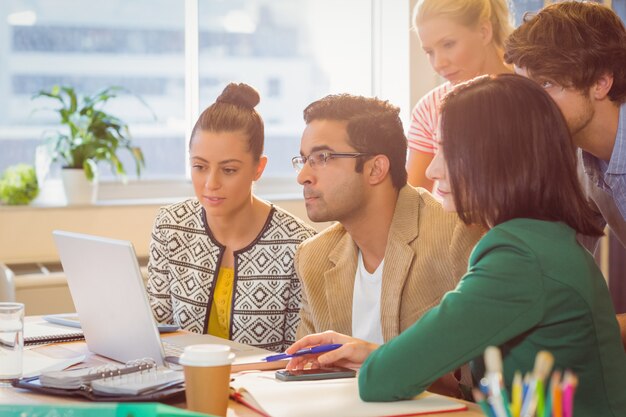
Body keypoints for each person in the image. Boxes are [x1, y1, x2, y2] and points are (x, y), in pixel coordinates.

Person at [286, 75, 626, 417]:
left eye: (447, 149)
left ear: (496, 155)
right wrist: (373, 354)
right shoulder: (536, 239)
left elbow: (381, 378)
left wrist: (378, 359)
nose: (432, 169)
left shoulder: (516, 258)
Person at [292, 93, 482, 394]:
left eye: (322, 158)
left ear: (376, 169)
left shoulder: (458, 237)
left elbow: (484, 386)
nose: (303, 176)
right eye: (303, 160)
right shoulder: (313, 257)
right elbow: (306, 375)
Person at [146, 83, 315, 352]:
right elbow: (156, 331)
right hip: (180, 385)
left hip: (261, 391)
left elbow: (293, 357)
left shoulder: (300, 246)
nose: (210, 183)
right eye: (199, 167)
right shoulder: (170, 226)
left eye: (228, 170)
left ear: (258, 168)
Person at [504, 0, 626, 348]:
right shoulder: (574, 157)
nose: (529, 107)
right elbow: (548, 260)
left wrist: (593, 333)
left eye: (545, 85)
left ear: (601, 82)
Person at [407, 0, 513, 190]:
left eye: (448, 44)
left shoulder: (535, 96)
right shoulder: (429, 108)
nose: (438, 63)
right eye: (429, 52)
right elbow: (414, 204)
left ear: (484, 31)